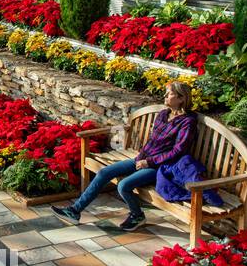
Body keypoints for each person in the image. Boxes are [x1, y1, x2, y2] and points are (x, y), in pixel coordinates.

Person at [52, 81, 197, 231]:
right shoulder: (163, 114)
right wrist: (142, 157)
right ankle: (74, 211)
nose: (165, 96)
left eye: (170, 93)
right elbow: (153, 140)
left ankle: (138, 215)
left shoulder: (188, 122)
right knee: (104, 172)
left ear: (181, 98)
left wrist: (149, 162)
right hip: (141, 158)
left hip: (159, 167)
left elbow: (178, 150)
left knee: (124, 186)